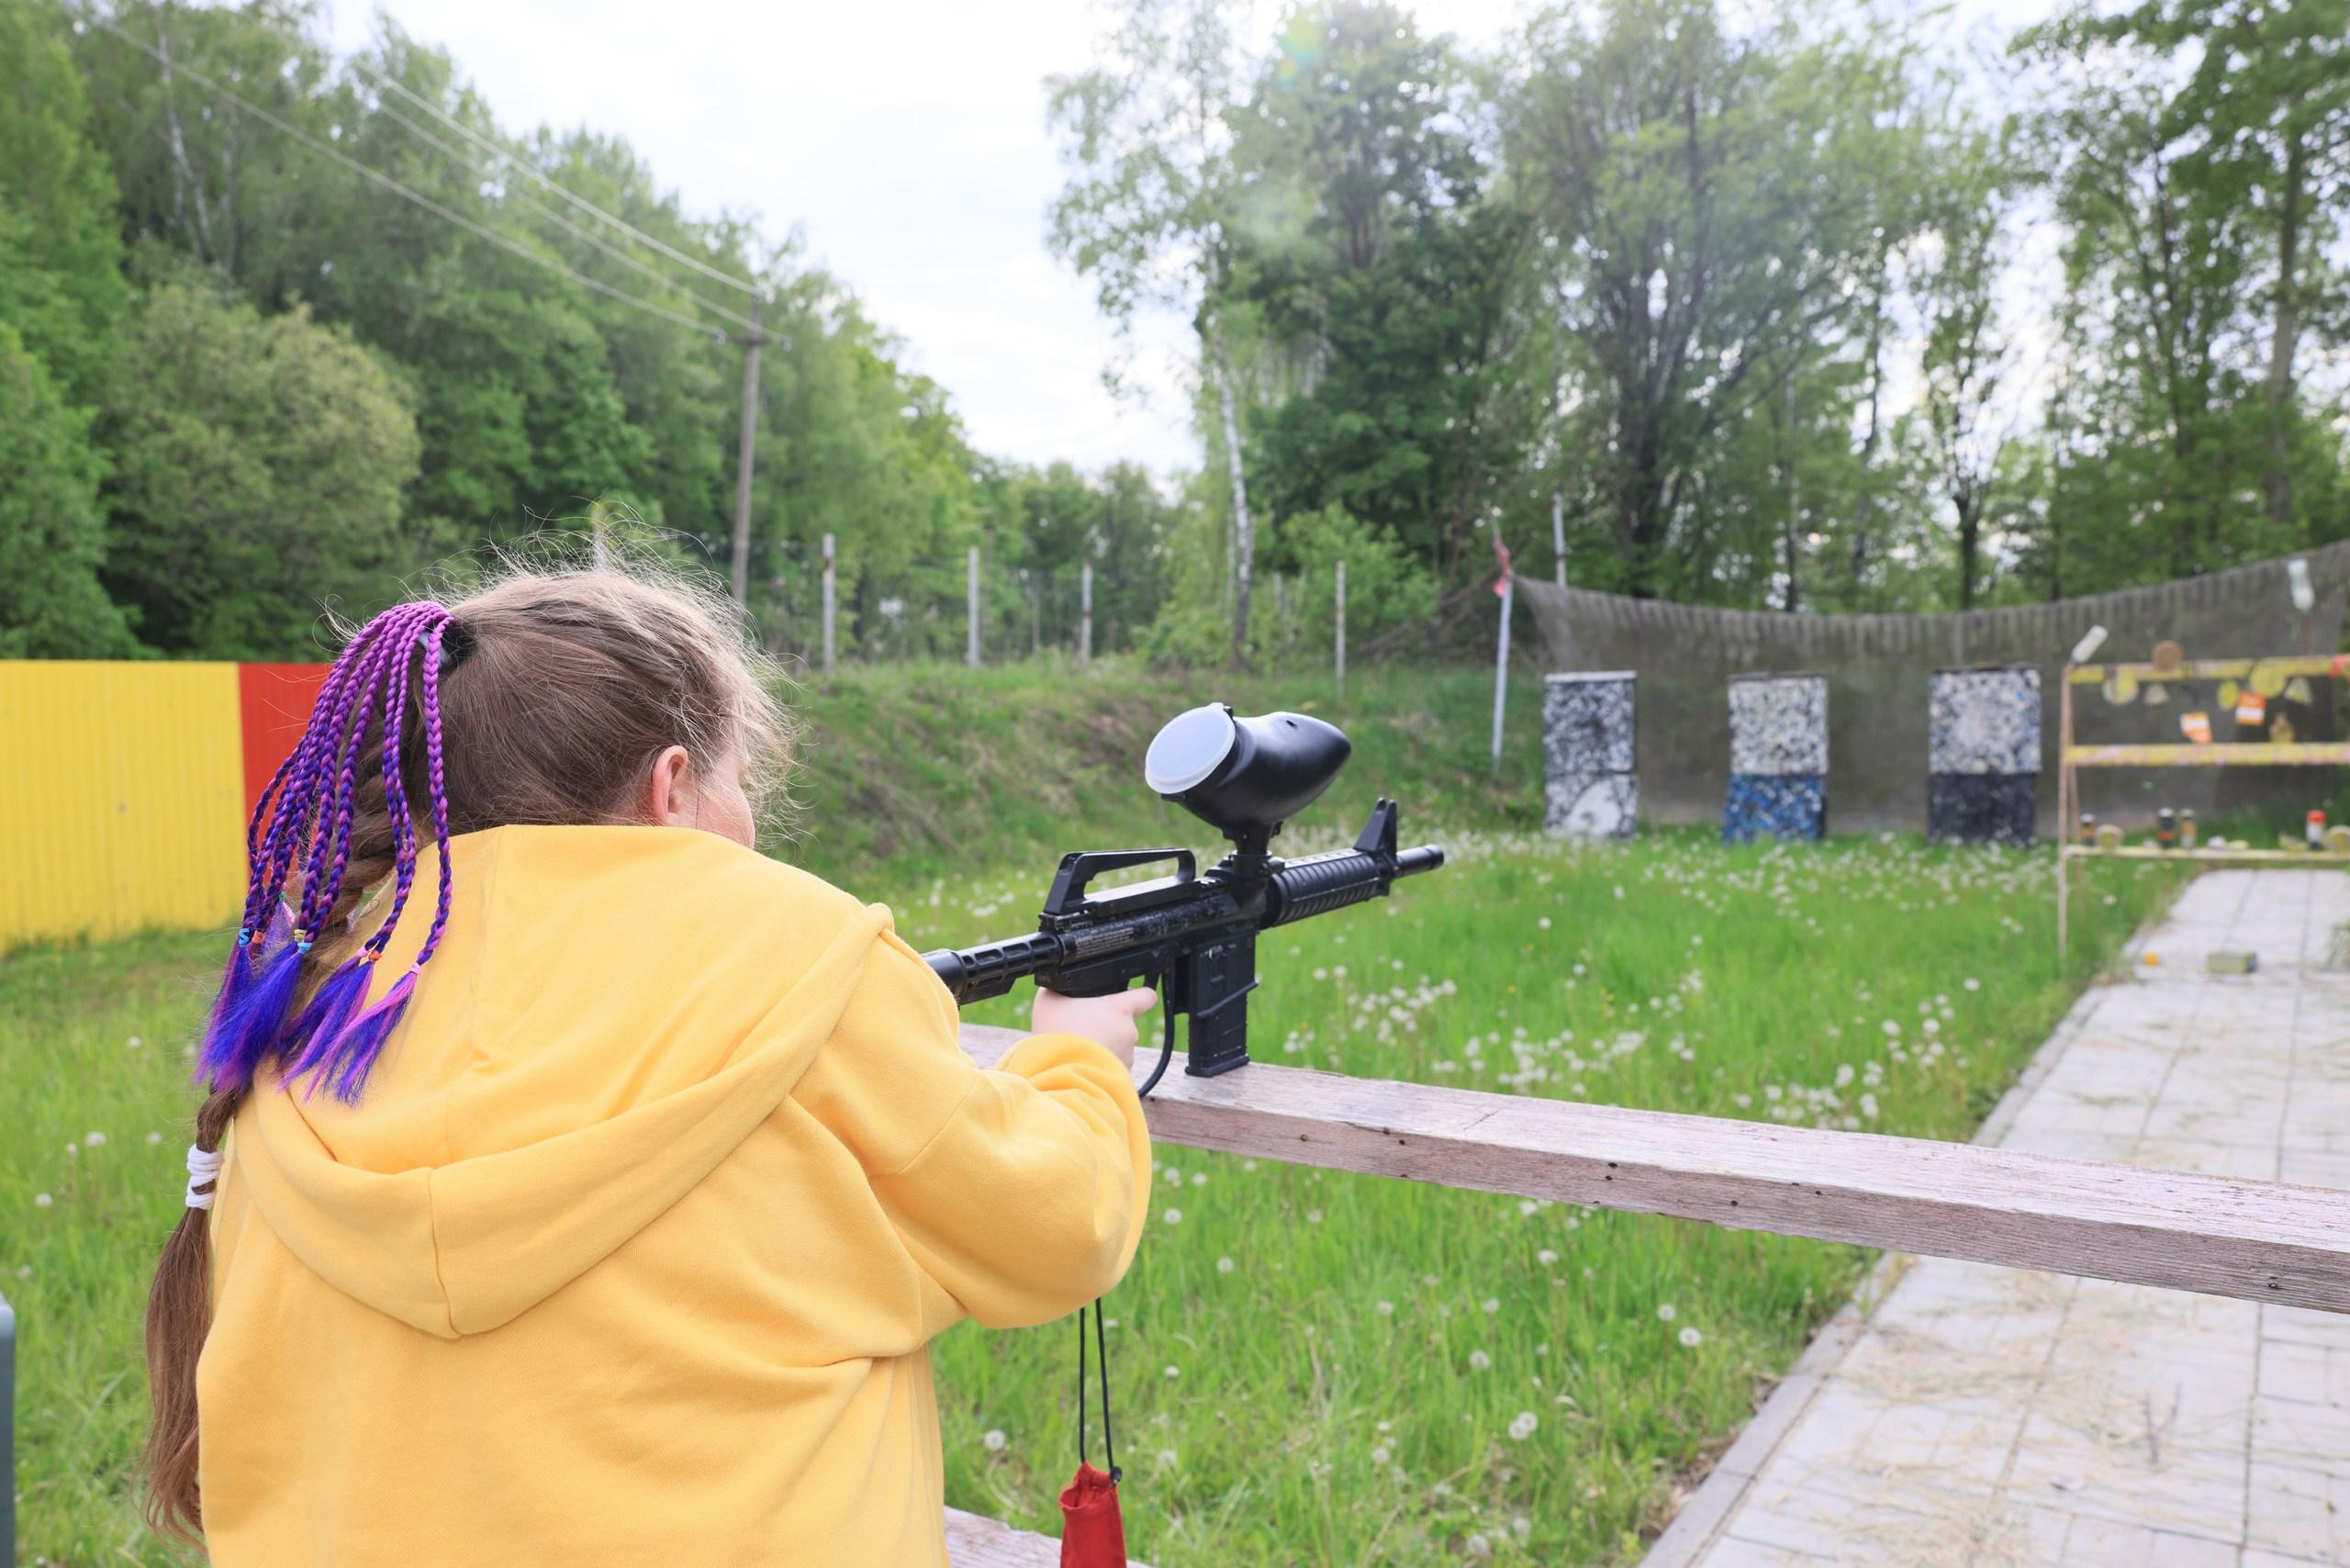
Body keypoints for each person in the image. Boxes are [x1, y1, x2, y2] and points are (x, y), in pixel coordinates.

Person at [140, 568, 1157, 1565]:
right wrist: (1075, 1056)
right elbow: (1056, 1228)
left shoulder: (320, 992)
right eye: (740, 781)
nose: (749, 820)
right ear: (671, 785)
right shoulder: (803, 951)